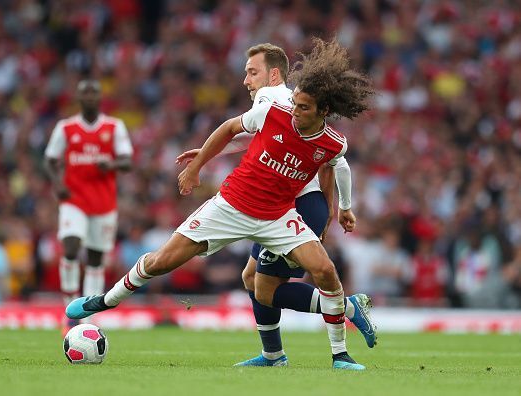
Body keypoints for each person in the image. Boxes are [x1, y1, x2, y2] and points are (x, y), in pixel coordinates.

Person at [67, 38, 375, 370]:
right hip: (232, 206)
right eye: (296, 104)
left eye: (252, 72)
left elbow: (337, 162)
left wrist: (342, 207)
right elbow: (234, 129)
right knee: (164, 263)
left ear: (322, 110)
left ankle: (339, 355)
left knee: (321, 272)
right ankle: (104, 301)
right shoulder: (275, 111)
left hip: (281, 214)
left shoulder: (328, 138)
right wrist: (199, 164)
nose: (295, 111)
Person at [175, 43, 376, 367]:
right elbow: (332, 160)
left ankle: (348, 309)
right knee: (250, 278)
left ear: (273, 74)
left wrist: (333, 207)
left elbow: (329, 157)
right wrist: (339, 207)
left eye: (251, 72)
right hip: (287, 206)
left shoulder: (272, 99)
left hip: (294, 206)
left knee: (265, 289)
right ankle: (273, 354)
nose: (246, 80)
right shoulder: (293, 103)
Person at [44, 79, 133, 335]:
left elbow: (127, 161)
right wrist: (57, 183)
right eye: (86, 93)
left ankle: (89, 315)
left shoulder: (114, 127)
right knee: (70, 247)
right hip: (74, 200)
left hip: (104, 204)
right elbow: (50, 159)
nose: (90, 97)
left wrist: (112, 165)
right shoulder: (66, 128)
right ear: (79, 98)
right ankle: (69, 313)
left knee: (95, 259)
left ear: (100, 97)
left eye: (94, 93)